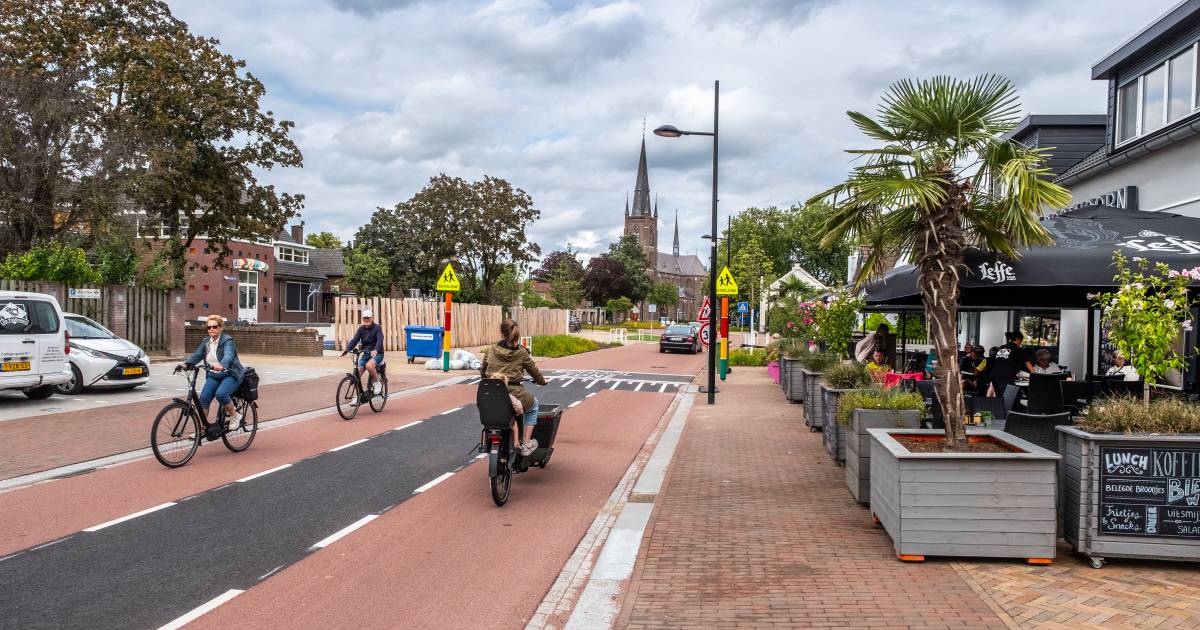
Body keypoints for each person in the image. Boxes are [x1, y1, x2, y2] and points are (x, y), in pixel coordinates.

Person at [480, 319, 548, 456]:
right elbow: (534, 370)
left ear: (500, 332)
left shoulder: (491, 350)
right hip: (515, 392)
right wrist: (542, 381)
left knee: (491, 413)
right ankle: (527, 444)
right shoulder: (522, 352)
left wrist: (486, 379)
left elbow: (483, 370)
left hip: (491, 392)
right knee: (534, 406)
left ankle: (488, 440)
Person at [181, 315, 245, 431]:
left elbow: (228, 355)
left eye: (214, 327)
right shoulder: (206, 342)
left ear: (220, 328)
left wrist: (222, 365)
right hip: (214, 375)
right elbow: (197, 355)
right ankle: (202, 429)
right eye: (209, 327)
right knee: (204, 399)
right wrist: (186, 364)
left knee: (221, 394)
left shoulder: (227, 340)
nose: (211, 329)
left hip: (230, 374)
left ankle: (235, 415)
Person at [342, 309, 384, 403]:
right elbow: (355, 340)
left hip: (377, 354)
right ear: (362, 319)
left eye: (368, 318)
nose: (366, 320)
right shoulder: (361, 329)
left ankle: (377, 382)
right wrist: (347, 349)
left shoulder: (377, 328)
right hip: (366, 354)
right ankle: (358, 397)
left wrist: (376, 350)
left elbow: (380, 340)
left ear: (372, 318)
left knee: (369, 366)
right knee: (357, 374)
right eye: (365, 318)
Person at [988, 331, 1033, 396]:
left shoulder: (1001, 347)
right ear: (1018, 339)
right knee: (1008, 399)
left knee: (999, 397)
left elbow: (1000, 361)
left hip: (994, 375)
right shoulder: (1017, 349)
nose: (1020, 343)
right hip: (1006, 376)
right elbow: (1028, 364)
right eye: (1021, 341)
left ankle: (998, 405)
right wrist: (1036, 375)